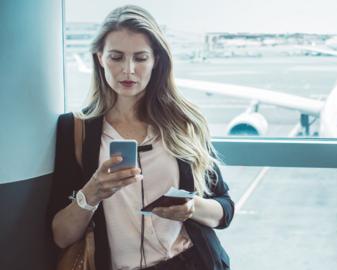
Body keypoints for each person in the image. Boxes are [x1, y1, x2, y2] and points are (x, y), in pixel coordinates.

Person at [47, 5, 234, 270]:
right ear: (99, 57)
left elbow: (225, 209)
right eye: (116, 57)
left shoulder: (184, 121)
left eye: (140, 58)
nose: (128, 70)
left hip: (195, 261)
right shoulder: (74, 128)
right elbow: (61, 236)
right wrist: (92, 193)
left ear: (156, 59)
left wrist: (192, 207)